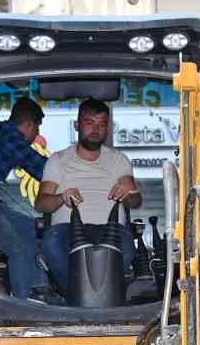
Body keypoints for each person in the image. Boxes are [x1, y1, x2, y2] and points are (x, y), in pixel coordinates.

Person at [37, 99, 139, 293]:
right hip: (68, 230)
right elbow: (41, 204)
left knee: (126, 246)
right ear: (77, 125)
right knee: (51, 242)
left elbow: (135, 201)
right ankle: (75, 295)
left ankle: (106, 295)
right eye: (89, 123)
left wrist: (128, 194)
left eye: (101, 125)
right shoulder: (58, 160)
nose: (95, 130)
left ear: (107, 129)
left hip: (111, 229)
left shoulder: (118, 160)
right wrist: (61, 198)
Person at [0, 97, 50, 301]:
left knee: (33, 228)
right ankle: (24, 301)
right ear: (27, 124)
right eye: (36, 129)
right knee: (18, 248)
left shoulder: (2, 132)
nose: (37, 136)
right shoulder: (10, 137)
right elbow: (40, 167)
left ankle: (39, 288)